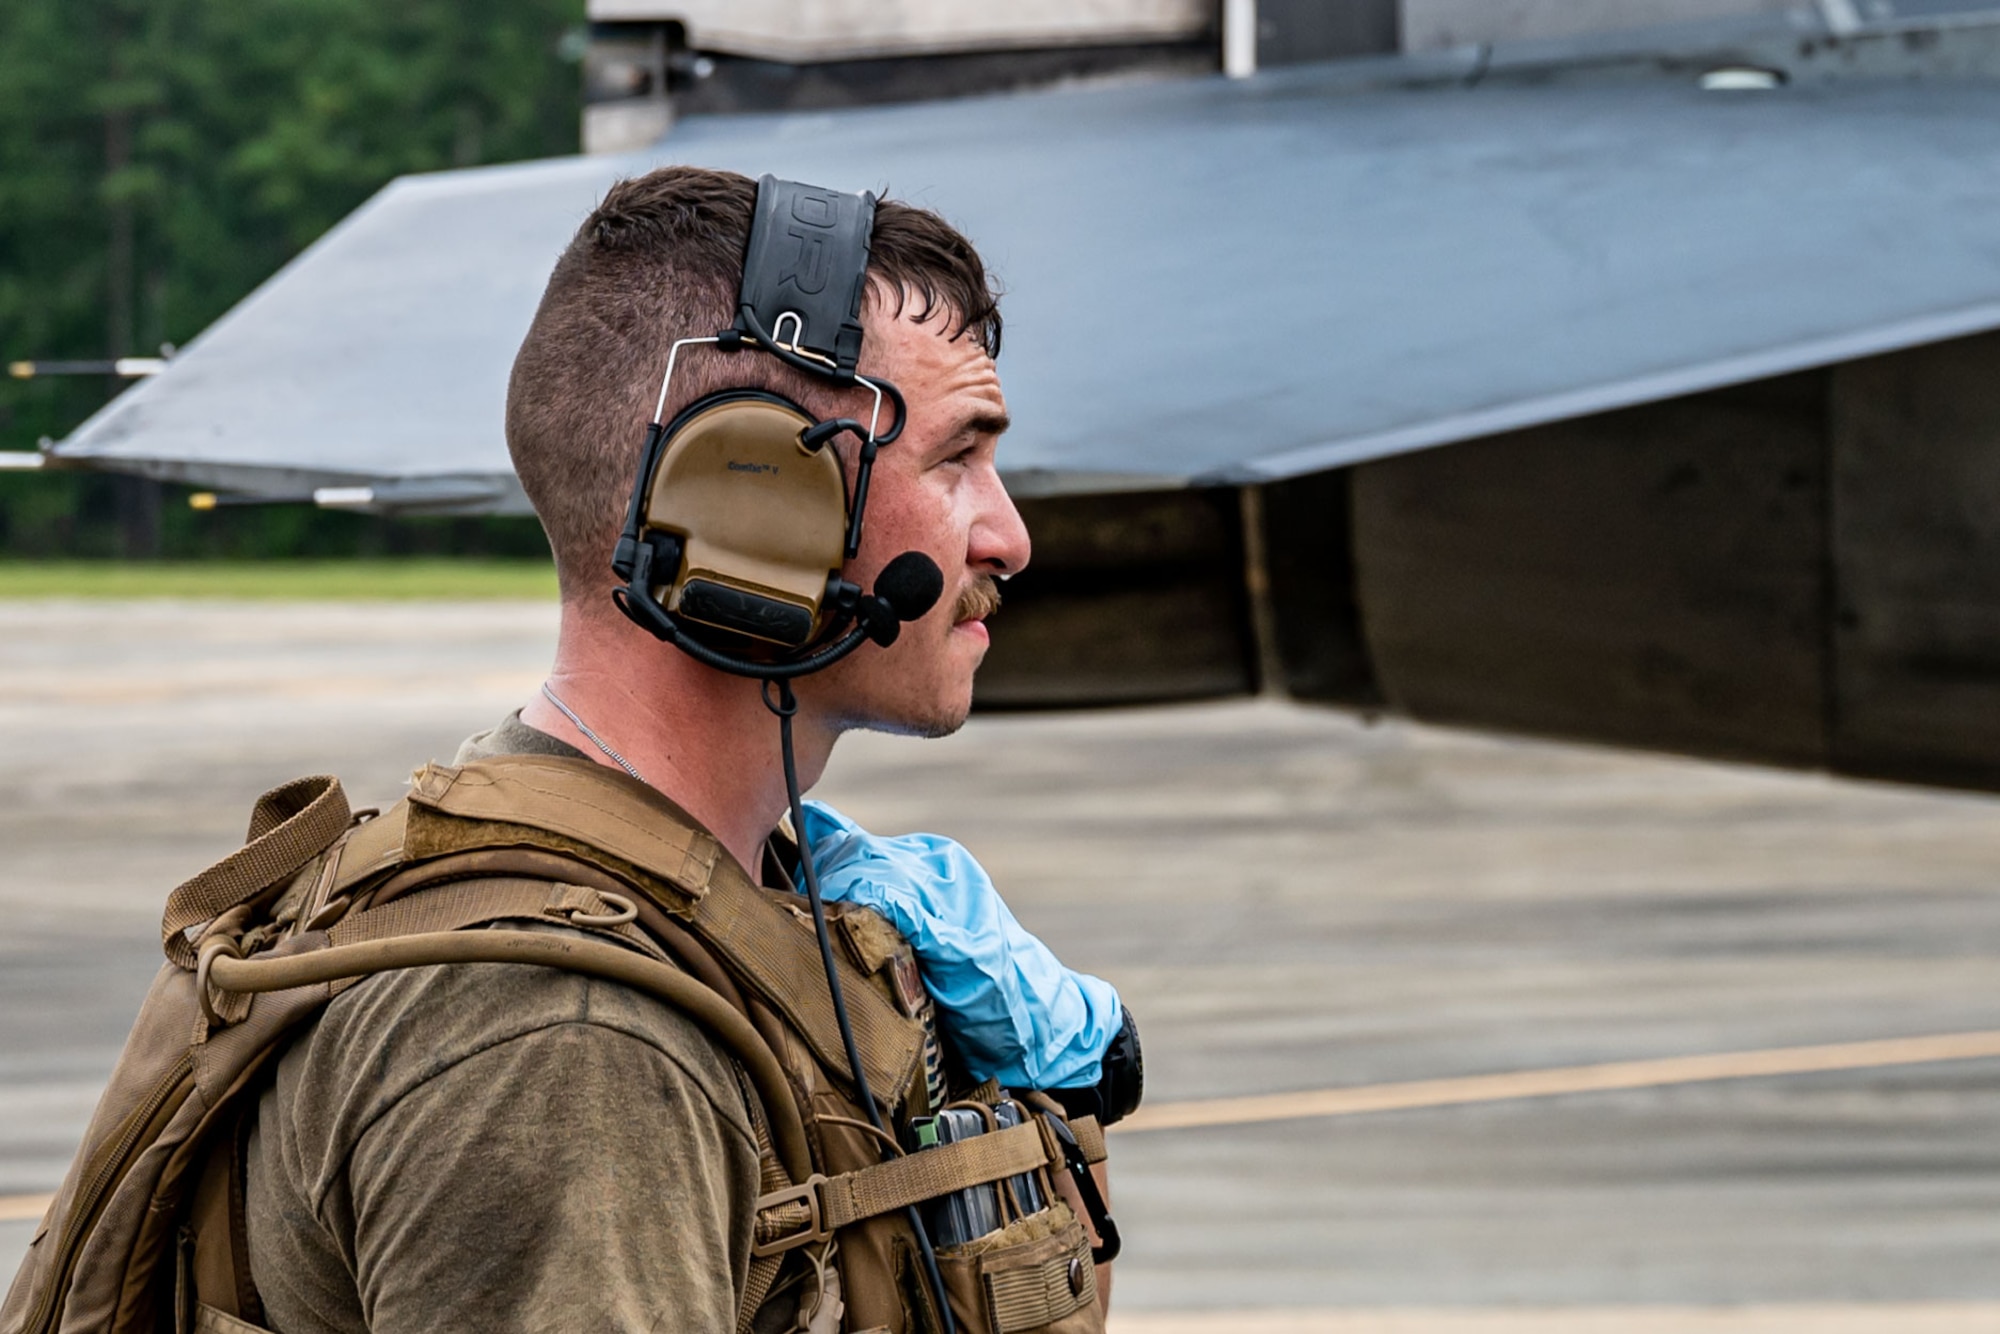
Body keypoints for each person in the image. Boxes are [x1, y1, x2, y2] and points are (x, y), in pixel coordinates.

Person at [238, 165, 1118, 1334]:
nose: (1008, 537)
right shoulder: (568, 1043)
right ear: (752, 506)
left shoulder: (726, 904)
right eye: (956, 458)